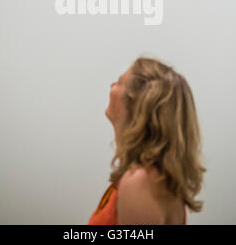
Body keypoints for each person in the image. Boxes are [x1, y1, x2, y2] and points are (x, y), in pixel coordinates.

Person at [87, 56, 207, 225]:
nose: (112, 86)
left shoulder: (140, 182)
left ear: (138, 106)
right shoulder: (151, 179)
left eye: (119, 82)